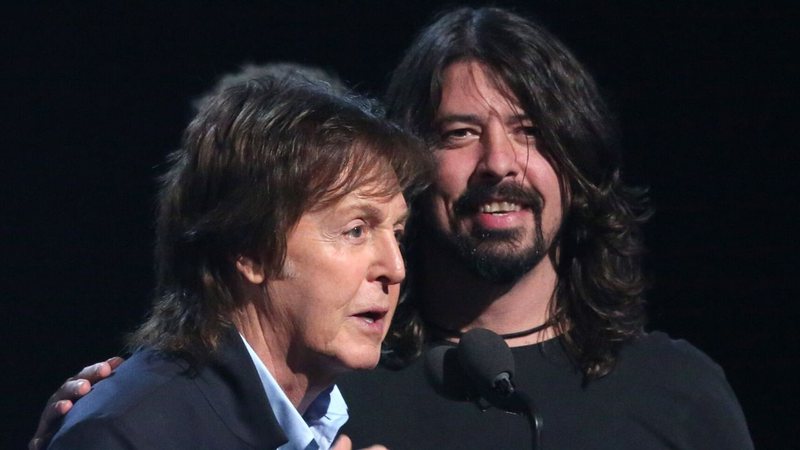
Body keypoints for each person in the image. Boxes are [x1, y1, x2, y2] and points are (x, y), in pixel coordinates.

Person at [32, 6, 753, 450]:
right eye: (461, 132)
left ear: (579, 160)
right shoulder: (329, 386)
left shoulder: (679, 392)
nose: (499, 163)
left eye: (531, 131)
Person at [42, 74, 430, 449]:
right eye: (356, 230)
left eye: (396, 233)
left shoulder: (342, 421)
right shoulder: (126, 435)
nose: (395, 268)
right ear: (251, 249)